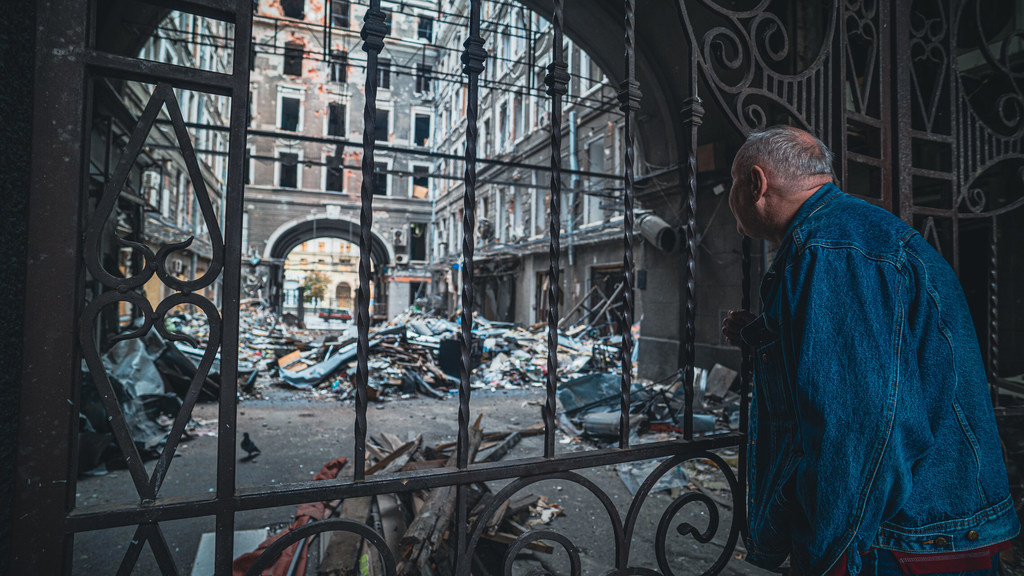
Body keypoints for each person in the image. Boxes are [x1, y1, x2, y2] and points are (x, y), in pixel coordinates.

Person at [720, 126, 1019, 576]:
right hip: (921, 530)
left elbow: (859, 424)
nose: (729, 197)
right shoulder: (850, 236)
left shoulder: (832, 249)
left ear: (757, 184)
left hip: (898, 541)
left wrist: (832, 554)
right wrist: (769, 336)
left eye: (731, 183)